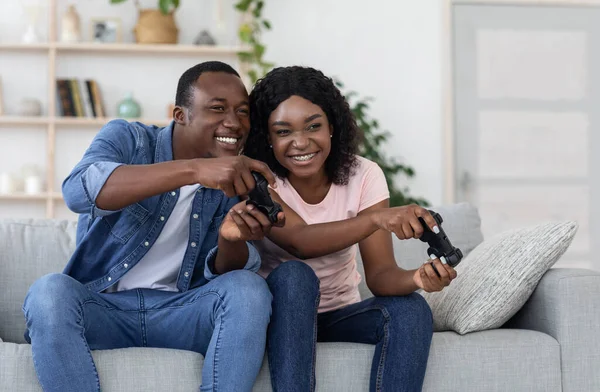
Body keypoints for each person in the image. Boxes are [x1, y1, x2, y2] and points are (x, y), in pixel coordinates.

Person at [22, 61, 285, 392]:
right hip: (105, 309)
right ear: (180, 115)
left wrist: (230, 239)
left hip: (183, 313)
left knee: (249, 290)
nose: (233, 122)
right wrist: (193, 170)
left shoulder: (239, 176)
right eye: (217, 109)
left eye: (242, 112)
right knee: (49, 292)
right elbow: (77, 191)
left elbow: (224, 277)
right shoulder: (128, 140)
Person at [243, 65, 458, 392]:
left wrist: (418, 278)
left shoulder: (364, 175)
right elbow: (300, 241)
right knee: (294, 276)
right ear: (267, 138)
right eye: (283, 131)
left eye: (313, 126)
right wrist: (374, 219)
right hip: (280, 319)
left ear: (332, 126)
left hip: (340, 314)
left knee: (411, 310)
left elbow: (382, 275)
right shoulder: (259, 180)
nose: (301, 142)